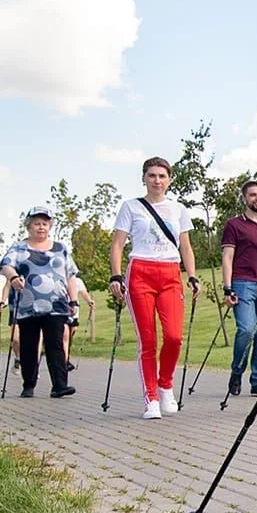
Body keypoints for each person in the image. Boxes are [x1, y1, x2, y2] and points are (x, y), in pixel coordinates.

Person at [108, 157, 200, 420]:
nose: (157, 180)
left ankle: (165, 385)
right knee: (148, 340)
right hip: (140, 272)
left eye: (162, 176)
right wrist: (116, 275)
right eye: (152, 175)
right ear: (144, 178)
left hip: (170, 272)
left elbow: (185, 246)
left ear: (169, 179)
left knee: (173, 337)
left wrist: (192, 276)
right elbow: (117, 245)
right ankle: (151, 398)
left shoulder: (178, 209)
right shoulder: (131, 207)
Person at [1, 206, 81, 399]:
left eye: (45, 224)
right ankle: (28, 384)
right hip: (29, 305)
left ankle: (60, 385)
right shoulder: (19, 247)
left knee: (56, 344)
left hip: (57, 305)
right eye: (37, 223)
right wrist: (13, 278)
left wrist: (74, 301)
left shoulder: (60, 248)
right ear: (29, 226)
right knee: (29, 344)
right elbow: (6, 265)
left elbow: (70, 276)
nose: (41, 227)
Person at [221, 178, 257, 397]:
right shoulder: (235, 224)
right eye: (253, 195)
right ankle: (237, 371)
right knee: (246, 329)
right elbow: (227, 257)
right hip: (242, 283)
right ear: (244, 198)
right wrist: (227, 288)